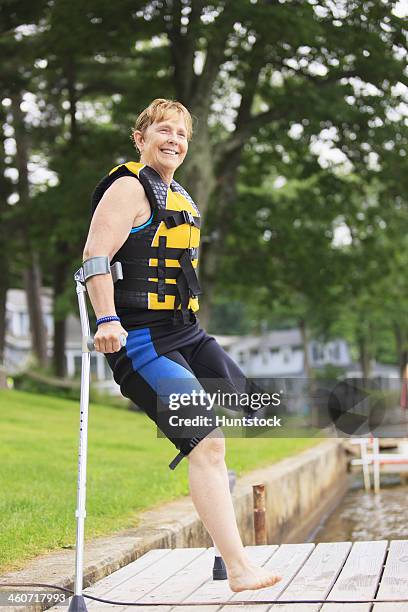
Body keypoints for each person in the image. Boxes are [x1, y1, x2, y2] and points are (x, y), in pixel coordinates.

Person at [82, 98, 282, 592]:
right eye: (163, 131)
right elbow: (94, 256)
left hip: (188, 334)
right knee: (207, 440)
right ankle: (238, 567)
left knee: (258, 406)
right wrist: (106, 318)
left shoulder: (180, 196)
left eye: (182, 135)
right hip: (142, 342)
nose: (173, 140)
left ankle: (222, 507)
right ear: (141, 138)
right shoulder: (129, 188)